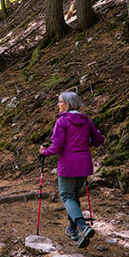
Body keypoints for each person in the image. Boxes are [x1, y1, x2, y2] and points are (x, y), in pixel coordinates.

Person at [39, 92, 104, 248]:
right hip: (84, 164)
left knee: (67, 196)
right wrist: (86, 142)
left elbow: (57, 146)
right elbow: (99, 140)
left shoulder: (62, 121)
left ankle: (82, 226)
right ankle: (72, 229)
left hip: (68, 165)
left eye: (60, 102)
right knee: (74, 197)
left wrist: (44, 152)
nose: (58, 104)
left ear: (67, 104)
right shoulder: (85, 120)